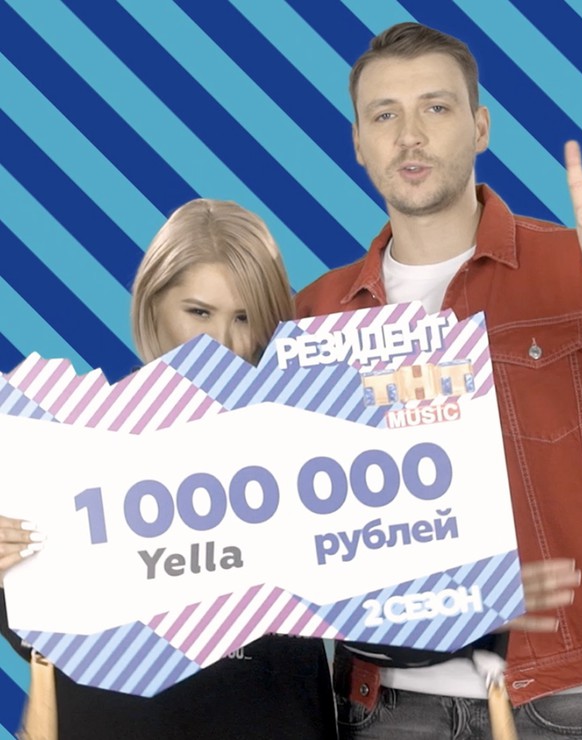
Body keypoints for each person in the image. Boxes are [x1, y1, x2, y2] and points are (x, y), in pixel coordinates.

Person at [295, 22, 582, 740]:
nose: (409, 135)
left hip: (558, 703)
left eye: (436, 107)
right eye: (384, 115)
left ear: (480, 127)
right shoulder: (315, 314)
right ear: (358, 143)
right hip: (385, 706)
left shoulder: (580, 270)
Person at [0, 198, 337, 740]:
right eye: (199, 312)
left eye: (244, 317)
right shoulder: (68, 442)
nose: (223, 344)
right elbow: (39, 639)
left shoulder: (313, 442)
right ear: (154, 304)